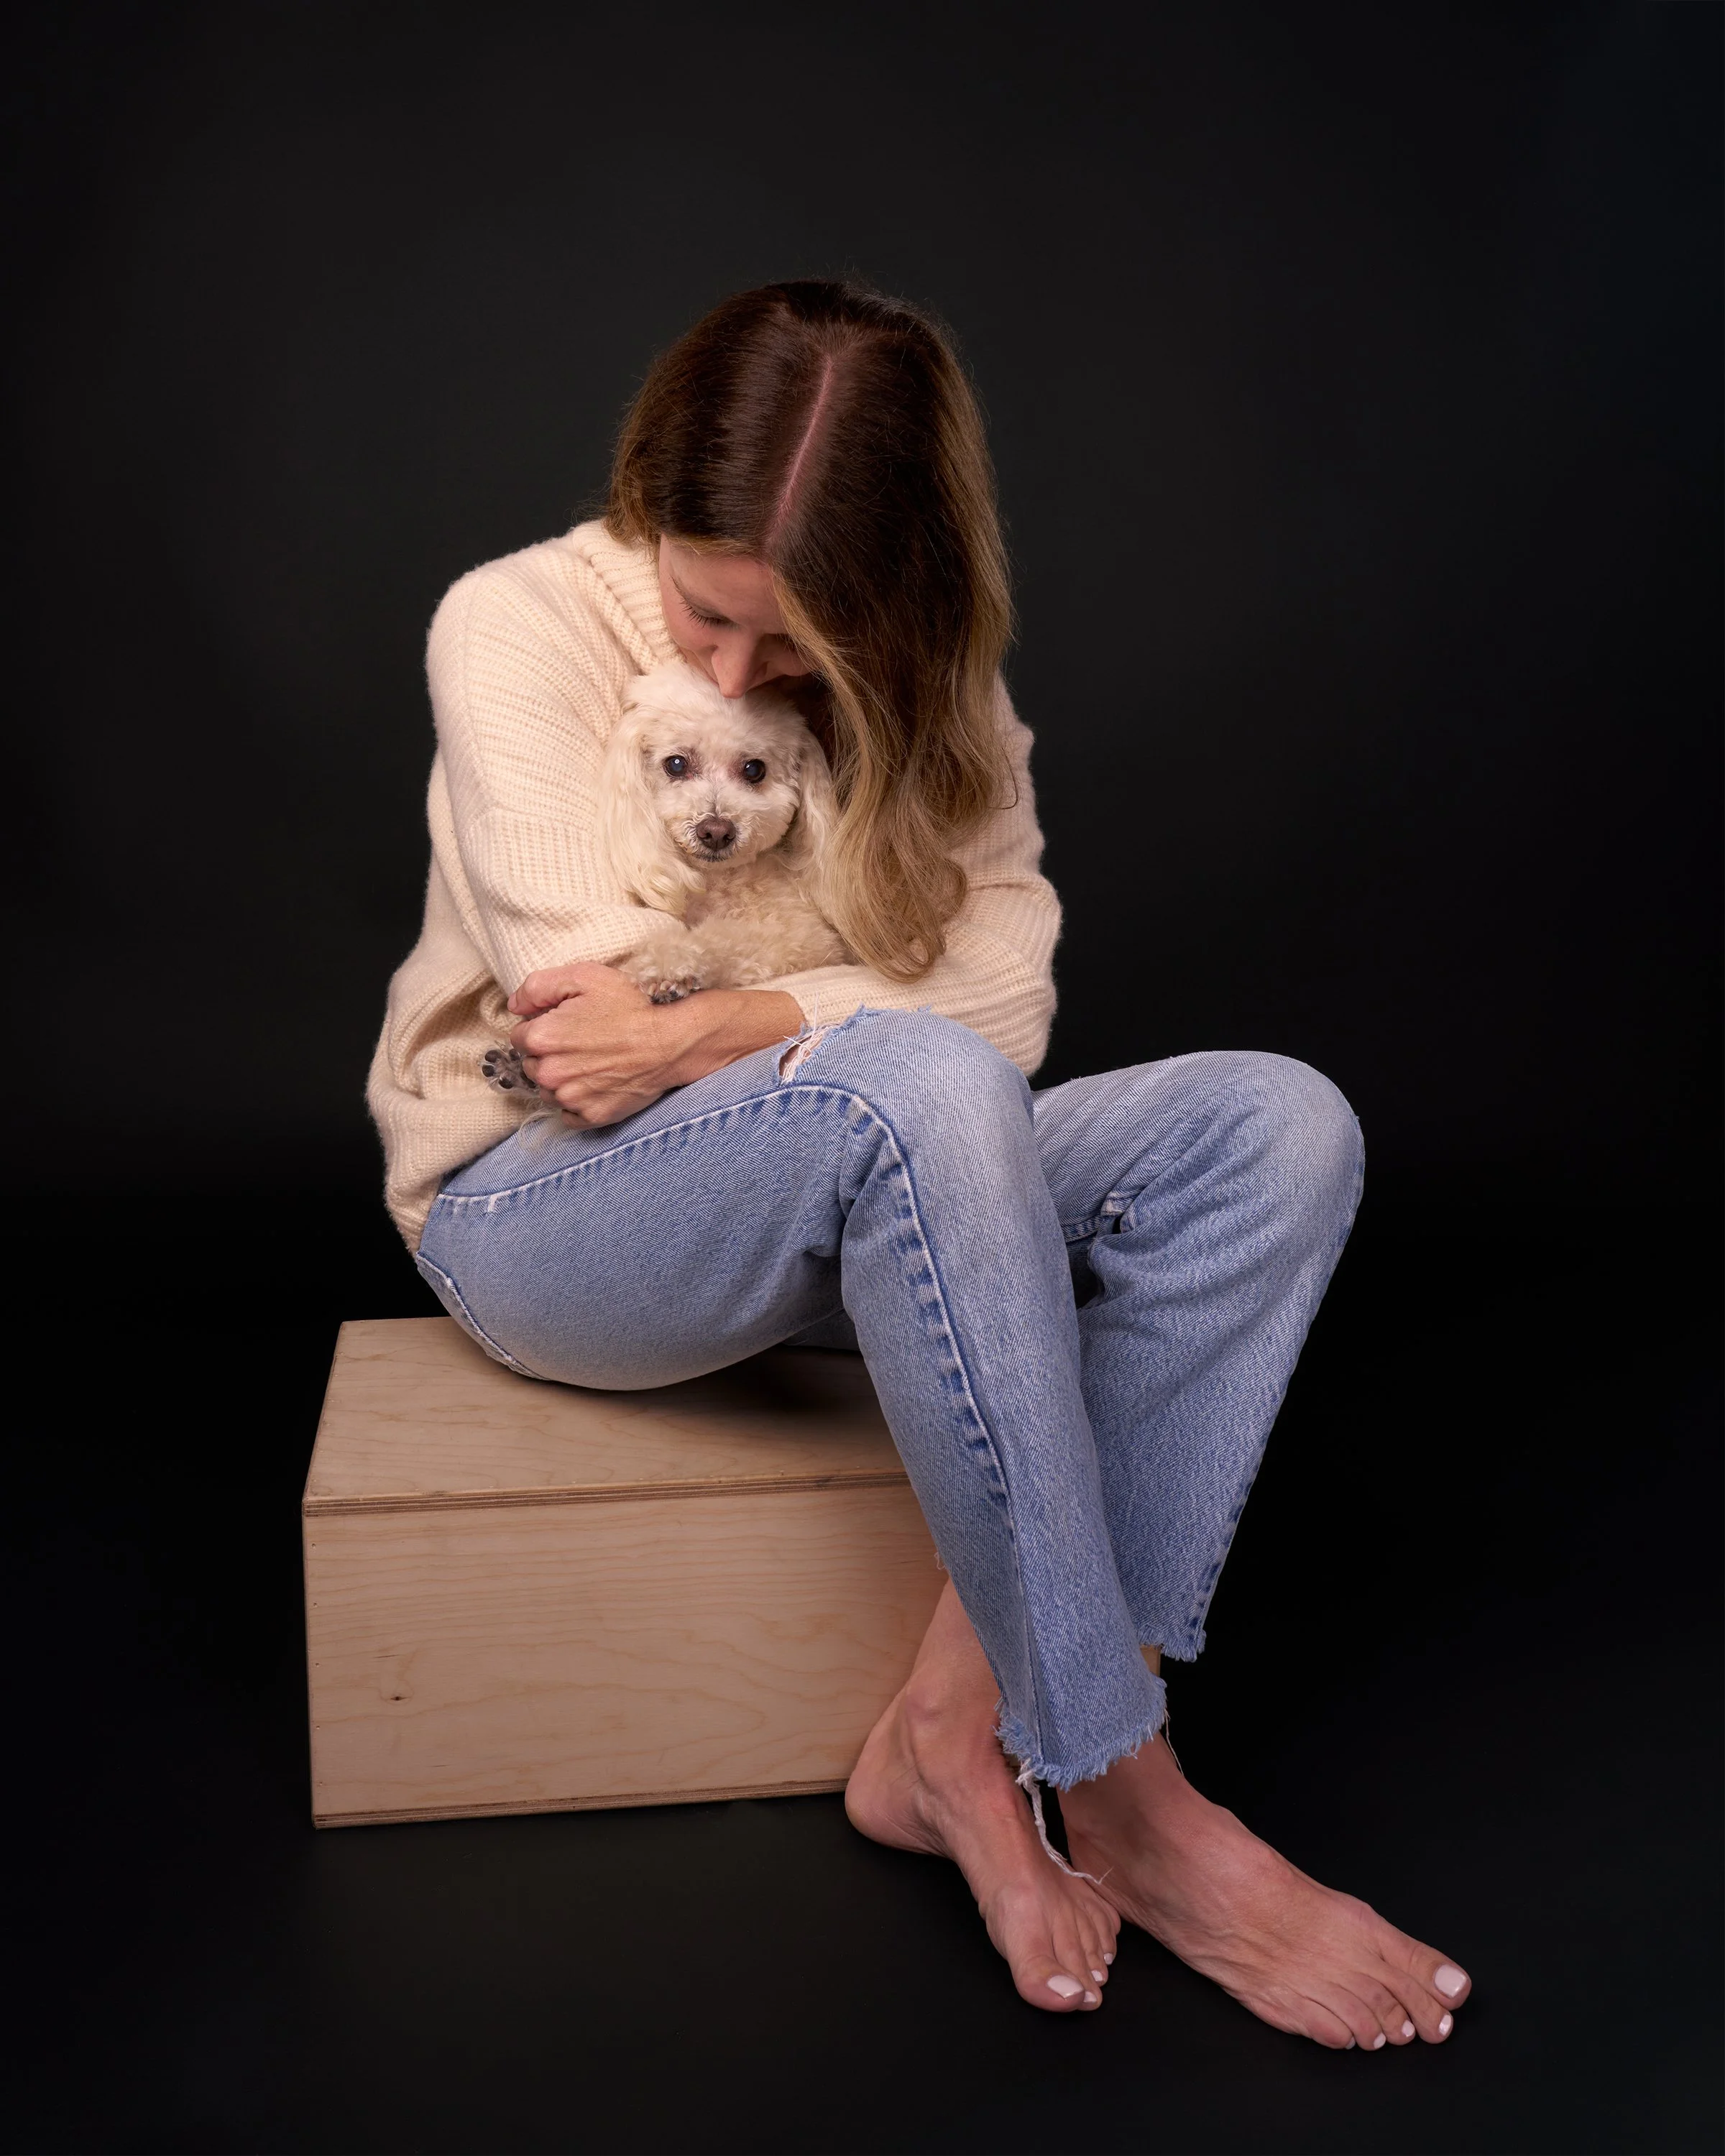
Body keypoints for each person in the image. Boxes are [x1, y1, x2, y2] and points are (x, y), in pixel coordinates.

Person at [369, 279, 1472, 2040]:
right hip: (543, 1205)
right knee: (917, 1082)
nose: (735, 677)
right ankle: (1124, 1789)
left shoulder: (938, 682)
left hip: (863, 1167)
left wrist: (744, 1023)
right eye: (706, 618)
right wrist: (859, 1026)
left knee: (1278, 1124)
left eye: (794, 641)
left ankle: (950, 1735)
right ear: (651, 511)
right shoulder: (510, 623)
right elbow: (588, 1023)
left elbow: (1007, 996)